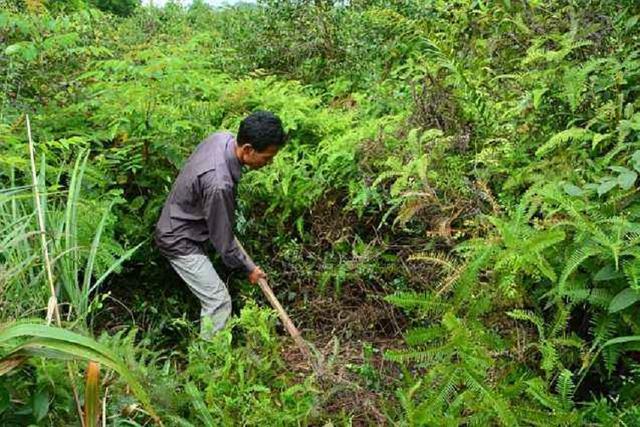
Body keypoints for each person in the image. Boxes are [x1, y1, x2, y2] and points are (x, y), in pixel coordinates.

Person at [154, 111, 286, 339]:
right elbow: (223, 242)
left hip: (187, 219)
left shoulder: (221, 138)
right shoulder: (219, 185)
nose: (269, 163)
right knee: (218, 301)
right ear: (247, 150)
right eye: (266, 158)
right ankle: (209, 362)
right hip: (179, 239)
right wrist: (249, 269)